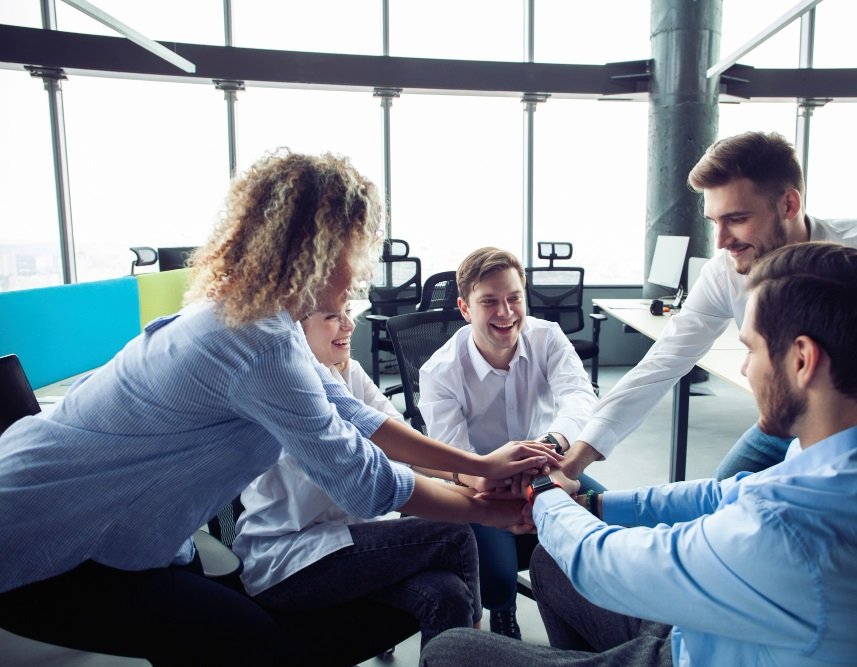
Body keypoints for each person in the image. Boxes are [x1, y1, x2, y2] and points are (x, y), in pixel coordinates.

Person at [0, 150, 558, 666]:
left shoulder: (263, 321)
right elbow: (362, 479)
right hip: (38, 537)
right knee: (247, 644)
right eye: (355, 249)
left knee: (219, 636)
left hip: (112, 528)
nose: (360, 268)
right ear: (317, 249)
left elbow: (354, 412)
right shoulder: (255, 341)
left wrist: (484, 467)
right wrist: (489, 511)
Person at [421, 241, 857, 666]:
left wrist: (540, 490)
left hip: (695, 651)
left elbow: (605, 563)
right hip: (752, 626)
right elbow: (722, 493)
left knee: (450, 652)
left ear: (801, 360)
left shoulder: (789, 527)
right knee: (550, 561)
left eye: (750, 350)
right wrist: (594, 507)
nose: (746, 370)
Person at [558, 130, 857, 483]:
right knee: (722, 509)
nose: (722, 240)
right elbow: (661, 364)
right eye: (715, 221)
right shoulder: (726, 270)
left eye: (736, 218)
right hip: (789, 419)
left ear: (789, 203)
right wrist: (578, 457)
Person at [233, 302, 484, 648]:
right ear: (296, 328)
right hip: (292, 558)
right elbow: (372, 479)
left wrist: (472, 478)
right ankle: (479, 651)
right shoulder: (287, 395)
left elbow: (404, 443)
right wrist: (476, 500)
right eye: (333, 317)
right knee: (454, 534)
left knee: (449, 595)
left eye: (348, 311)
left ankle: (470, 651)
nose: (350, 324)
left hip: (356, 544)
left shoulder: (347, 372)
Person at [419, 247, 606, 639]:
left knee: (607, 523)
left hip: (545, 467)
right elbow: (459, 460)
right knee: (500, 580)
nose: (505, 313)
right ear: (465, 308)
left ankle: (586, 618)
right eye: (489, 301)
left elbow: (580, 398)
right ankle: (503, 613)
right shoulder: (440, 372)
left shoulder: (547, 337)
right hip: (481, 484)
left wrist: (550, 444)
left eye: (513, 298)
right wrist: (502, 478)